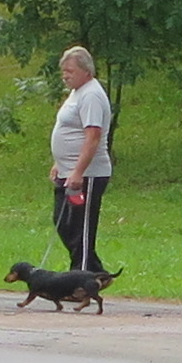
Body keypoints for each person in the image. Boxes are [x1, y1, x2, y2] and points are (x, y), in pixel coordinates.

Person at [50, 46, 114, 276]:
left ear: (86, 71)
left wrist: (78, 171)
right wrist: (61, 162)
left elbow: (93, 135)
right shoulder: (77, 92)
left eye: (70, 71)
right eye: (63, 71)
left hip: (88, 175)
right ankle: (95, 275)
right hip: (68, 173)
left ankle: (82, 277)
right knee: (63, 222)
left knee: (80, 228)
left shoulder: (91, 95)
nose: (65, 76)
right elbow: (70, 129)